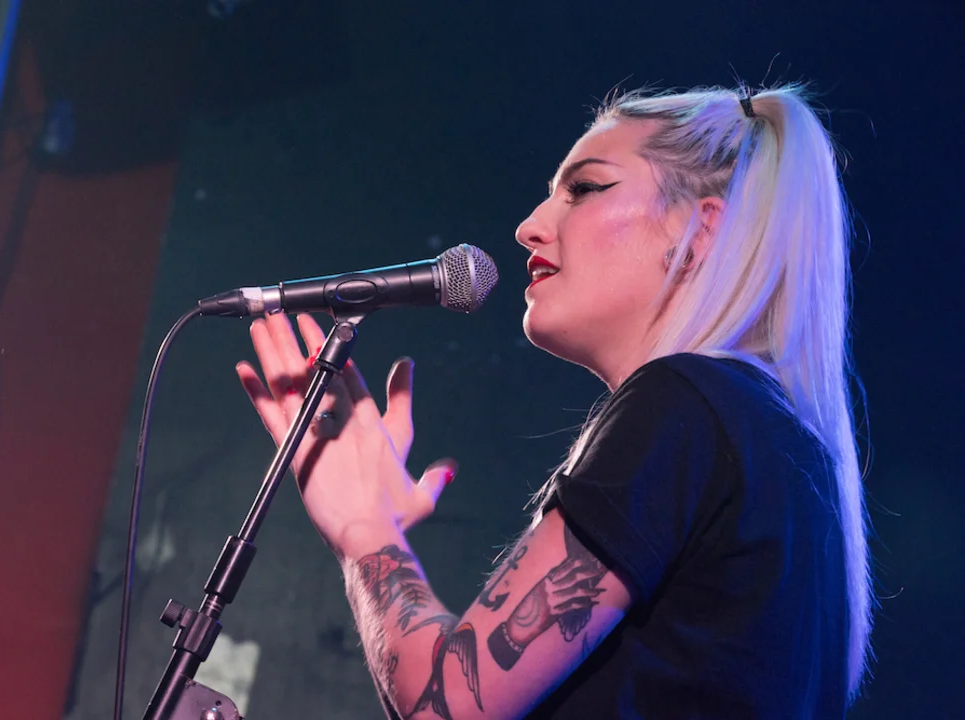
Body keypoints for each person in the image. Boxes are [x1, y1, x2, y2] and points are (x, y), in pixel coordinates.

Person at [234, 84, 873, 719]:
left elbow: (448, 709)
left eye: (585, 188)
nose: (529, 227)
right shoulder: (785, 453)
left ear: (700, 229)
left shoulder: (682, 405)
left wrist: (364, 528)